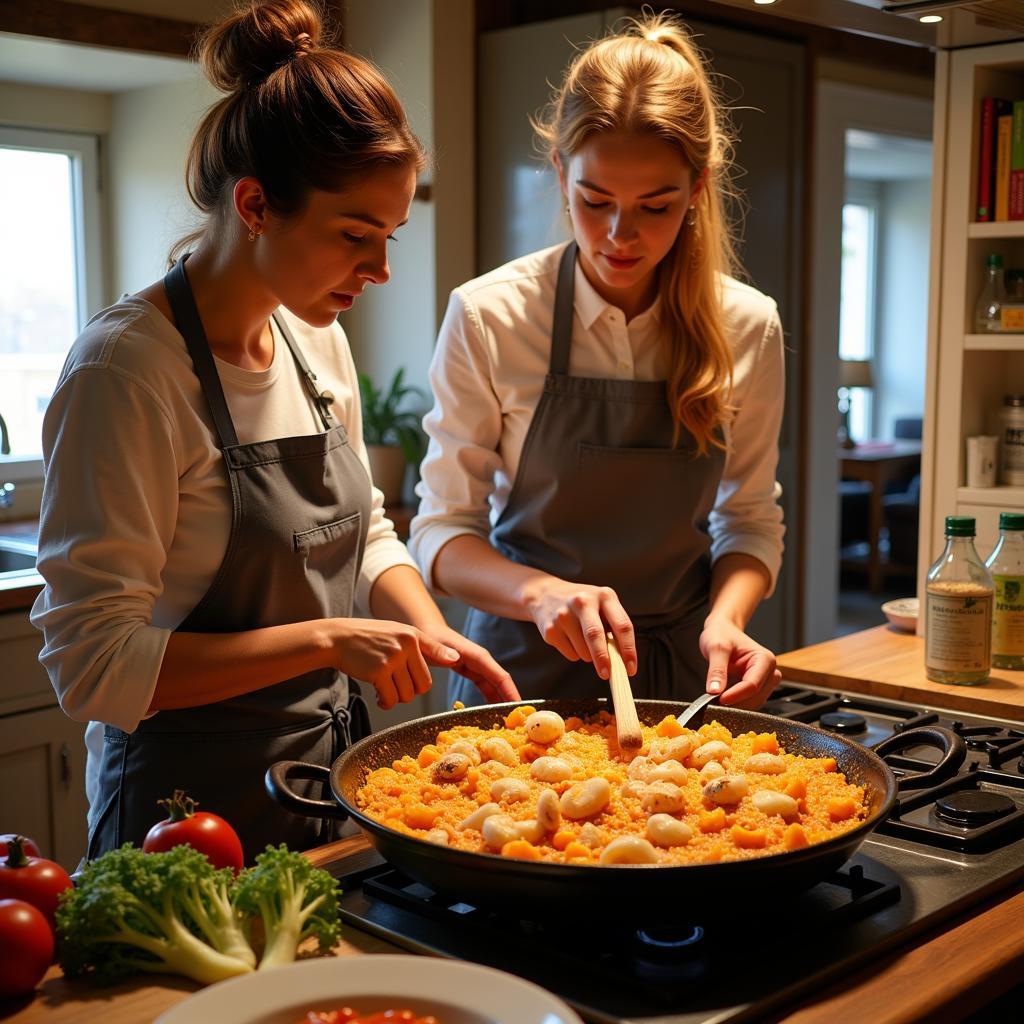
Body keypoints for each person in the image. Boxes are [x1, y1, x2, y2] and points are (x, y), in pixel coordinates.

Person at [30, 0, 517, 862]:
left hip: (327, 794)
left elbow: (360, 529)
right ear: (255, 204)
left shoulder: (315, 337)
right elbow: (93, 666)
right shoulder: (127, 372)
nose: (381, 269)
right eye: (355, 235)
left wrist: (423, 626)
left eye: (391, 234)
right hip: (179, 821)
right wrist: (329, 641)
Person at [409, 13, 784, 710]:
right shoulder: (490, 316)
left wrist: (726, 620)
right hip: (521, 679)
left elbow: (750, 518)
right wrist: (539, 592)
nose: (620, 234)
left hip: (678, 686)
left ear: (698, 188)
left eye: (656, 205)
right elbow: (439, 532)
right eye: (595, 200)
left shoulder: (747, 326)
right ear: (559, 173)